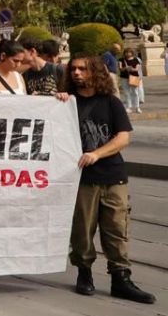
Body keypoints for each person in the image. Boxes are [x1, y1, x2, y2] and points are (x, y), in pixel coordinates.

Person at [63, 54, 155, 304]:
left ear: (95, 72)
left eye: (83, 69)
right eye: (73, 69)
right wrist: (57, 100)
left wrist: (96, 154)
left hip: (114, 177)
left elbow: (123, 137)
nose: (77, 73)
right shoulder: (67, 103)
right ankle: (84, 273)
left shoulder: (110, 102)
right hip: (81, 180)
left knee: (117, 229)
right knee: (82, 230)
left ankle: (121, 279)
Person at [119, 48, 144, 114]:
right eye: (126, 52)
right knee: (126, 92)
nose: (127, 54)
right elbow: (120, 68)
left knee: (135, 92)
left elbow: (137, 68)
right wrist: (126, 68)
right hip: (124, 77)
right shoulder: (121, 60)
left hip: (134, 77)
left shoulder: (136, 59)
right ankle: (128, 107)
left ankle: (137, 107)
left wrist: (132, 69)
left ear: (132, 53)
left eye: (129, 52)